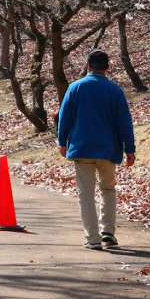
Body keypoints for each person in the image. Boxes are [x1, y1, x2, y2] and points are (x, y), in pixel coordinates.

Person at [57, 49, 136, 250]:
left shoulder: (75, 88)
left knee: (85, 193)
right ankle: (108, 231)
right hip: (108, 150)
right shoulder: (115, 91)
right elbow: (124, 123)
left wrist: (63, 142)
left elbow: (64, 118)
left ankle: (93, 238)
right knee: (108, 189)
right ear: (107, 67)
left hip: (82, 148)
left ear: (87, 65)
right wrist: (129, 148)